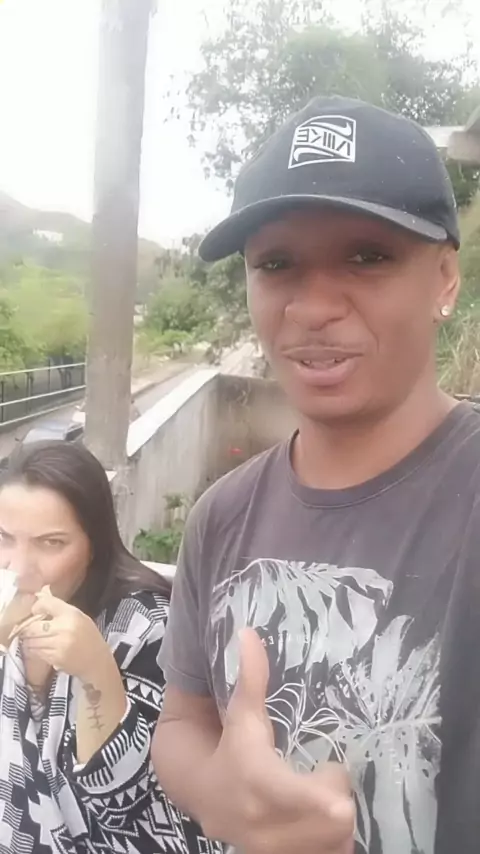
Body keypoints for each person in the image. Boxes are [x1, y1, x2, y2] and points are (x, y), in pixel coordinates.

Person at [152, 95, 480, 854]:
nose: (313, 306)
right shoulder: (221, 516)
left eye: (367, 257)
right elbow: (183, 720)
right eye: (276, 264)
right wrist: (215, 792)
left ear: (444, 278)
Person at [0, 440, 223, 854]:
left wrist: (95, 670)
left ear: (93, 547)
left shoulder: (147, 628)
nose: (19, 567)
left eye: (51, 543)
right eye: (5, 538)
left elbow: (123, 803)